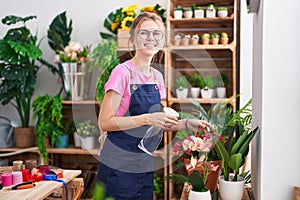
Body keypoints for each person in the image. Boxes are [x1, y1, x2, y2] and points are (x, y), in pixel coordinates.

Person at [97, 12, 213, 200]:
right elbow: (105, 122)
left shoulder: (157, 77)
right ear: (133, 38)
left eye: (156, 33)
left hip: (143, 160)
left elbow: (157, 122)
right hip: (118, 162)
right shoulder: (122, 73)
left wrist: (186, 124)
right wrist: (148, 118)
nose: (151, 38)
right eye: (144, 33)